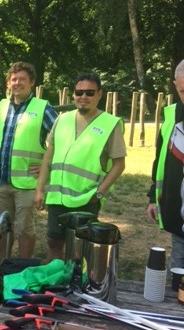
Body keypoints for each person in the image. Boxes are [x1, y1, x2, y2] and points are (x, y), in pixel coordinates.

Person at [35, 72, 126, 262]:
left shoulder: (110, 124)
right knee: (53, 242)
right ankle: (55, 277)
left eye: (90, 92)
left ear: (99, 94)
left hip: (86, 198)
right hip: (57, 197)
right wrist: (39, 189)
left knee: (81, 248)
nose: (83, 96)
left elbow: (119, 165)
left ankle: (79, 278)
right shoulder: (62, 119)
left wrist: (99, 193)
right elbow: (48, 157)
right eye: (79, 92)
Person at [0, 62, 57, 260]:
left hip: (26, 182)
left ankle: (23, 267)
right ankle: (3, 266)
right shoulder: (1, 106)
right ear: (8, 83)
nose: (17, 83)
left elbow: (61, 138)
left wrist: (47, 166)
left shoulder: (43, 108)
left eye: (22, 79)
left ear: (31, 82)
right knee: (2, 227)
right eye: (14, 79)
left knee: (24, 229)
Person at [147, 60, 184, 269]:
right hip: (178, 216)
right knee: (177, 272)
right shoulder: (170, 116)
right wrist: (153, 197)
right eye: (183, 91)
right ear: (175, 85)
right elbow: (159, 160)